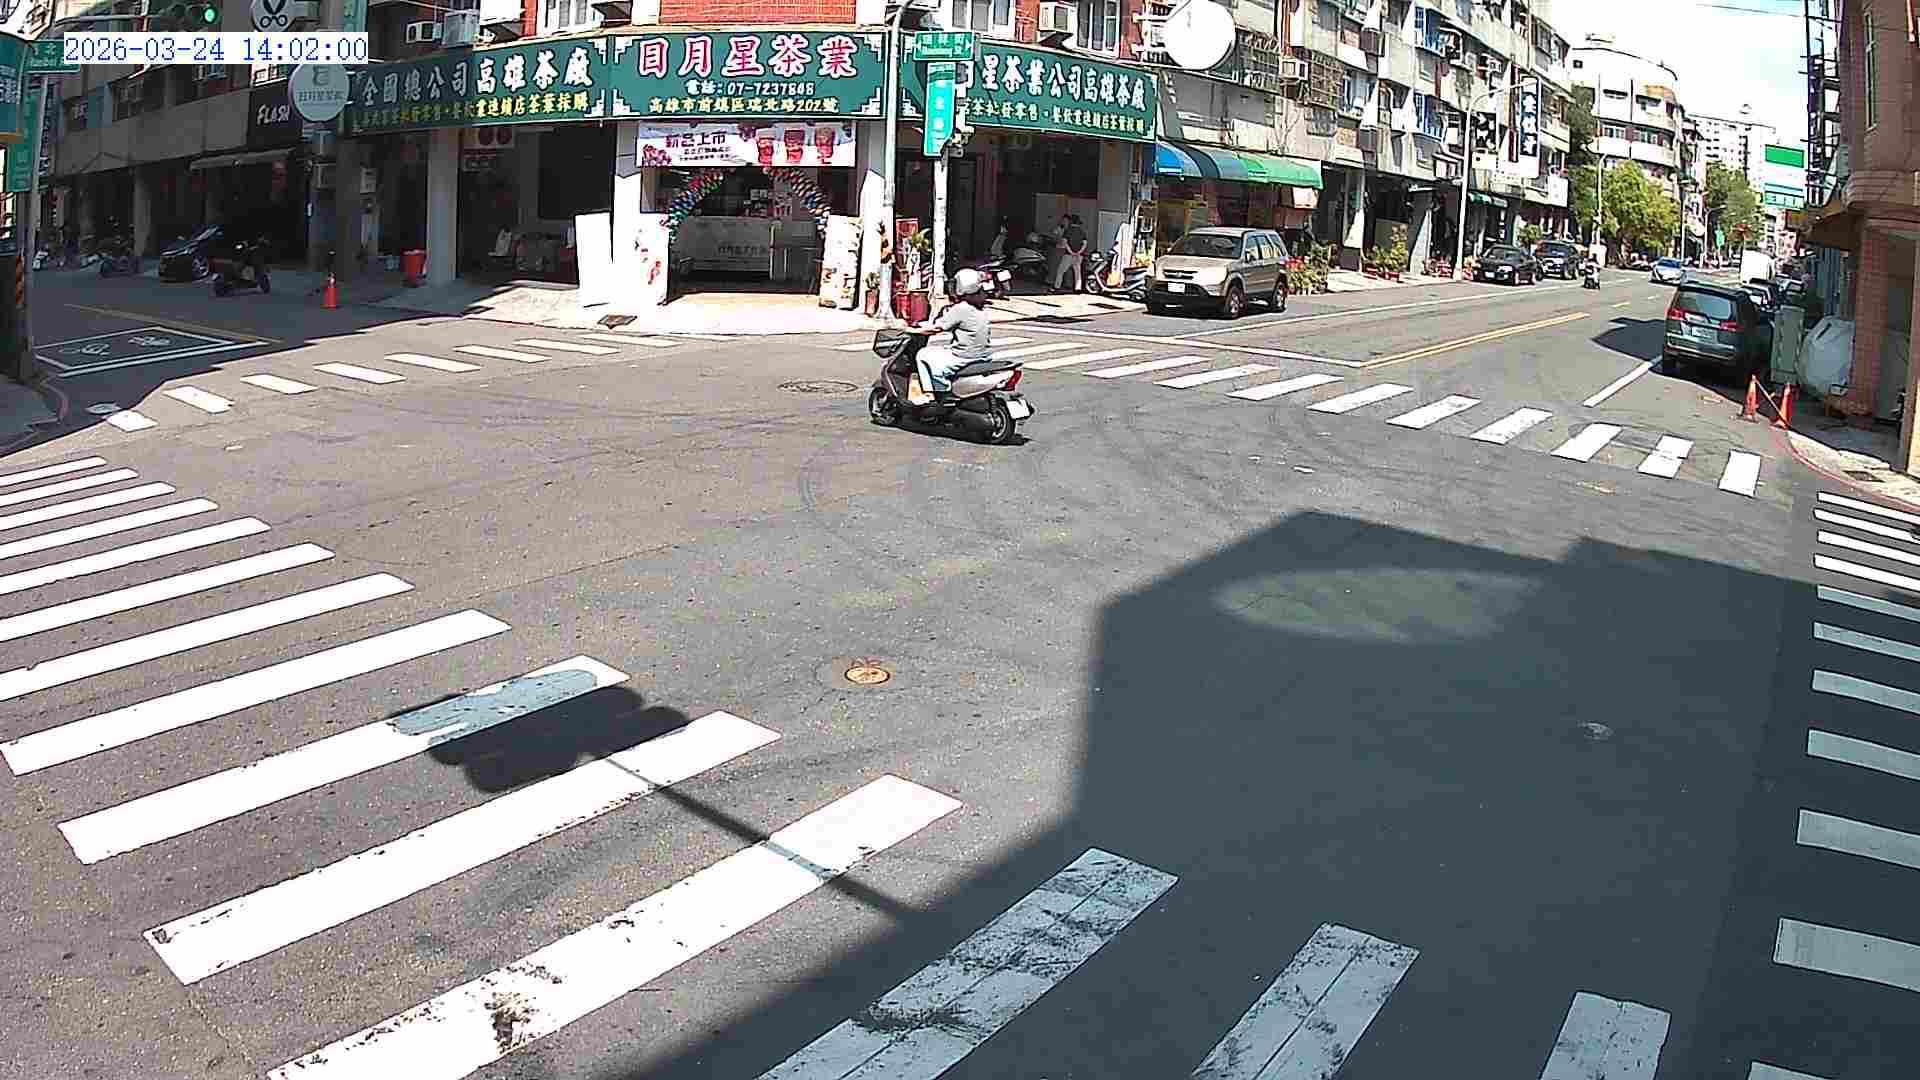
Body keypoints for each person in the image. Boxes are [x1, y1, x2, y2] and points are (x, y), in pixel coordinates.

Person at [905, 267, 993, 404]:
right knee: (941, 350)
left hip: (964, 356)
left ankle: (937, 392)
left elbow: (936, 328)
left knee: (922, 354)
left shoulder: (961, 308)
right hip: (984, 355)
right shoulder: (981, 305)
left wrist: (911, 330)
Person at [1053, 214, 1088, 292]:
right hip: (1079, 256)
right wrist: (1078, 252)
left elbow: (1065, 242)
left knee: (1061, 271)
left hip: (1068, 255)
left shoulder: (1068, 231)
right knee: (1077, 272)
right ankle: (1078, 288)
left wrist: (1071, 252)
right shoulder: (1082, 232)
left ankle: (1056, 287)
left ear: (1071, 222)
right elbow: (1085, 244)